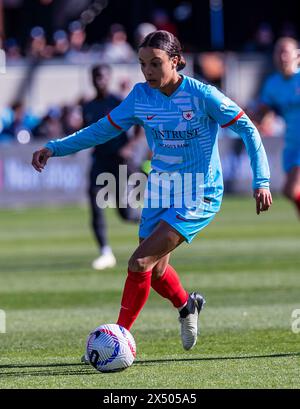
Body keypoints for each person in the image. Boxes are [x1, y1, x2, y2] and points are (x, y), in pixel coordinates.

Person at [32, 31, 272, 355]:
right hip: (160, 190)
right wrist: (55, 147)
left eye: (155, 63)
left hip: (198, 192)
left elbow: (247, 128)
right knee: (156, 271)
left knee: (139, 262)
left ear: (175, 61)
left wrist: (262, 180)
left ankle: (117, 339)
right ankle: (188, 306)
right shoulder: (141, 96)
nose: (148, 71)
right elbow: (101, 130)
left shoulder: (202, 96)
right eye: (143, 64)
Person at [82, 64, 141, 270]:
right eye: (96, 76)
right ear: (91, 78)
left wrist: (129, 146)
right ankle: (105, 252)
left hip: (119, 161)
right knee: (95, 201)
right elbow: (86, 132)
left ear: (109, 78)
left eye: (103, 76)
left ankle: (157, 223)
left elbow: (139, 125)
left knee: (126, 214)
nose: (100, 80)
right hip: (100, 161)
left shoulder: (118, 101)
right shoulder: (87, 106)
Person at [256, 37, 300, 216]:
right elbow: (264, 112)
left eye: (285, 52)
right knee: (289, 192)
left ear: (297, 55)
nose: (282, 56)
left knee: (291, 189)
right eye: (278, 52)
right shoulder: (272, 84)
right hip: (291, 144)